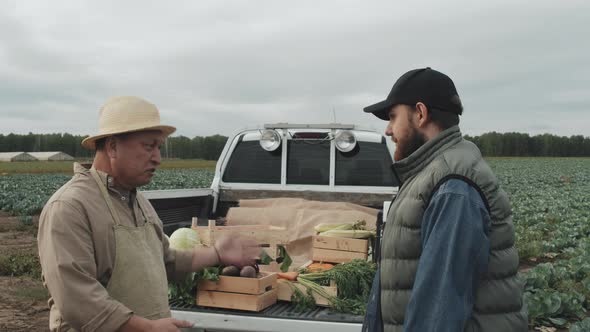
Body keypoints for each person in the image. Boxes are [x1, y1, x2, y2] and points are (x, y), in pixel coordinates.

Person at [38, 96, 259, 332]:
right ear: (112, 147)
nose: (158, 158)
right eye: (148, 146)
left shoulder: (138, 202)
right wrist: (146, 328)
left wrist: (216, 253)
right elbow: (77, 298)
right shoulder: (70, 207)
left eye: (159, 147)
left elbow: (165, 261)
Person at [361, 68, 527, 332]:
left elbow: (438, 309)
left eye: (393, 117)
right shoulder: (433, 173)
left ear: (420, 113)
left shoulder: (453, 187)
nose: (388, 130)